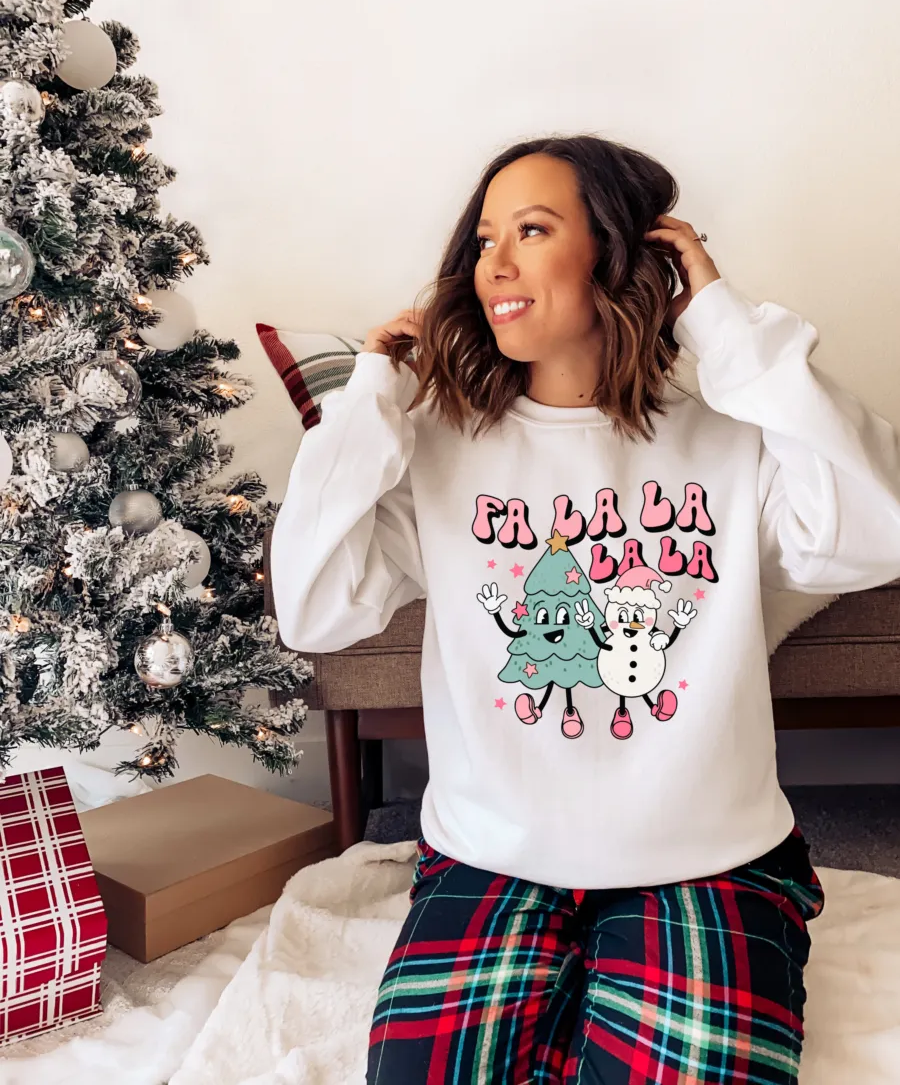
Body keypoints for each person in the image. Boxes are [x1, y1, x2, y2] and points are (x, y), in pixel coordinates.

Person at [270, 135, 900, 1083]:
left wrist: (722, 325)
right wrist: (371, 401)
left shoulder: (732, 439)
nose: (498, 264)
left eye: (532, 229)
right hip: (488, 855)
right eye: (485, 239)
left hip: (708, 856)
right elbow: (312, 615)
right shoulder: (439, 447)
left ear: (615, 252)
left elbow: (877, 531)